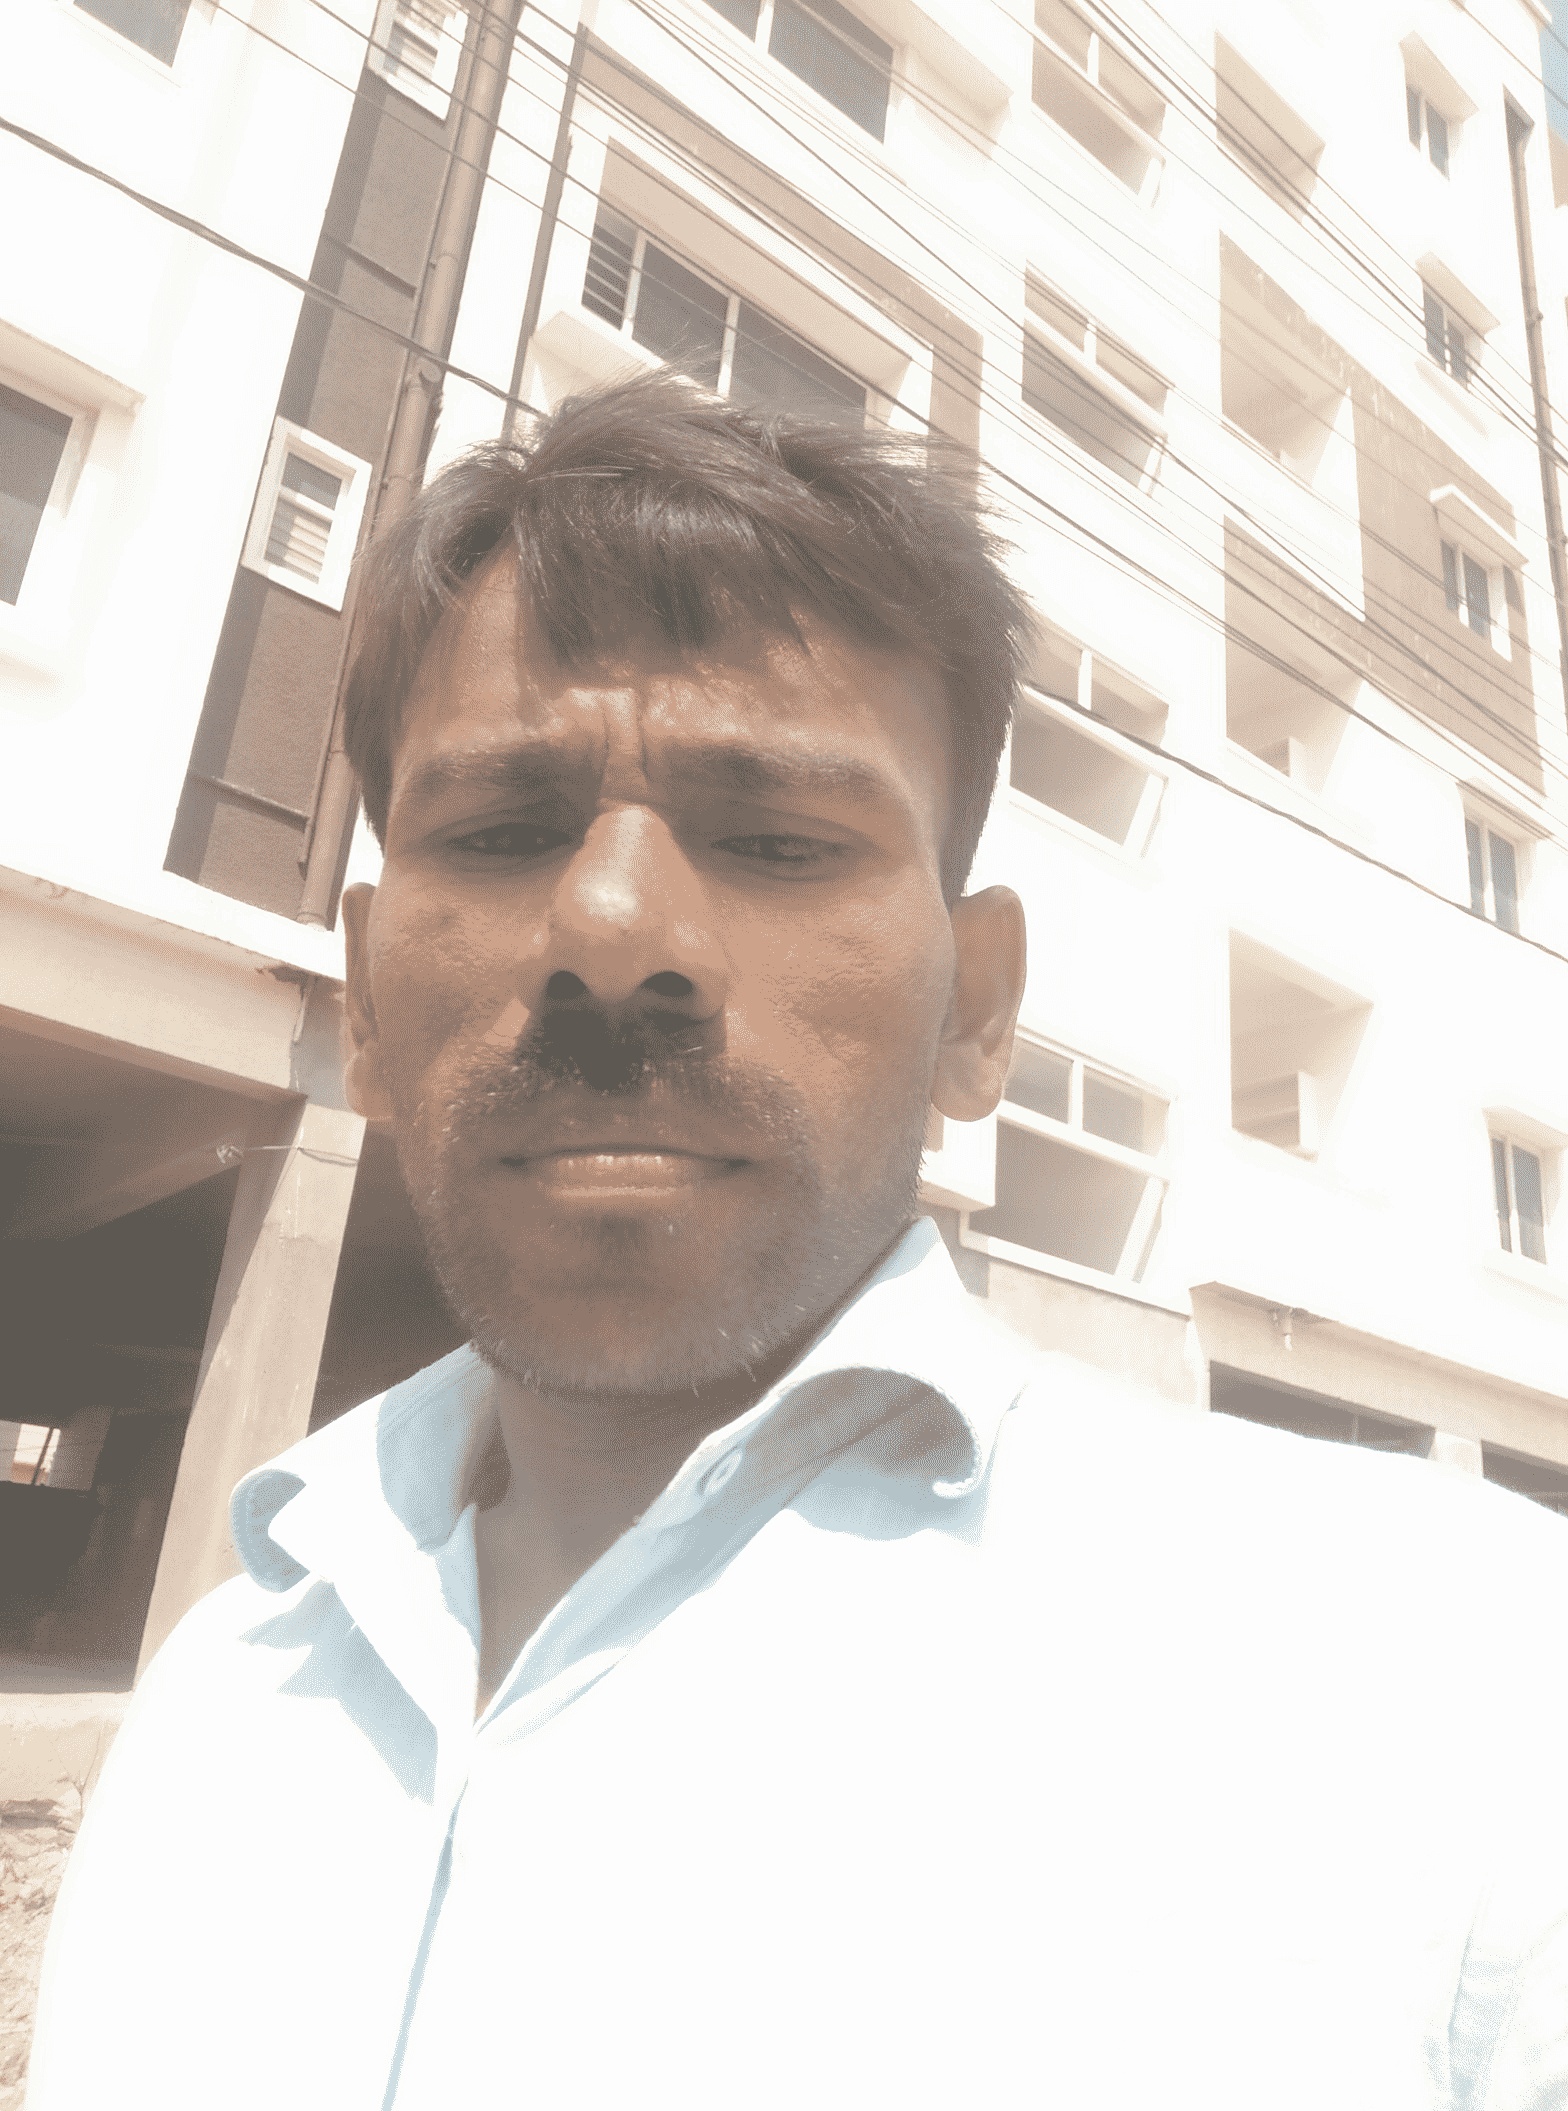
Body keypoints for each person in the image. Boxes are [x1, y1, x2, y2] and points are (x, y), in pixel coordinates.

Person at [29, 371, 1568, 2110]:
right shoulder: (218, 1697)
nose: (614, 929)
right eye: (507, 830)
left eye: (774, 839)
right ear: (370, 1002)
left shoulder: (1456, 1678)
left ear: (976, 1012)